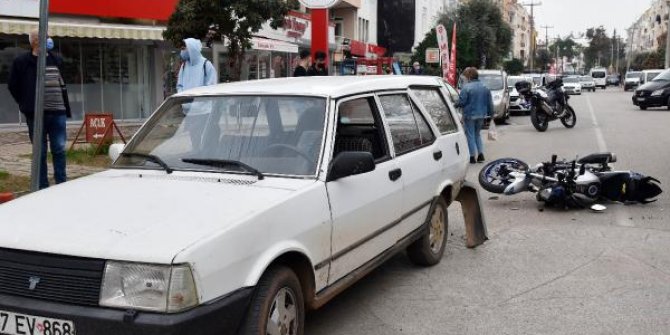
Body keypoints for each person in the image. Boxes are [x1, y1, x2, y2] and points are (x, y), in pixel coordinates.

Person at [8, 29, 71, 189]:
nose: (49, 39)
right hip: (36, 114)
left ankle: (61, 184)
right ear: (36, 41)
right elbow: (13, 85)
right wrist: (25, 104)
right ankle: (42, 186)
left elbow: (62, 81)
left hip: (57, 112)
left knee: (59, 149)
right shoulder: (22, 62)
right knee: (40, 152)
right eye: (46, 37)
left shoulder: (56, 59)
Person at [457, 67, 494, 164]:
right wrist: (491, 114)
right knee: (477, 134)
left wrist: (454, 104)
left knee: (470, 135)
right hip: (481, 114)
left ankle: (472, 156)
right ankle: (481, 154)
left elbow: (462, 102)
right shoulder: (485, 87)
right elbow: (490, 102)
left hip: (469, 115)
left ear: (469, 76)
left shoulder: (466, 88)